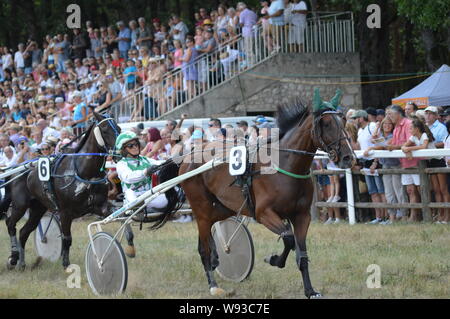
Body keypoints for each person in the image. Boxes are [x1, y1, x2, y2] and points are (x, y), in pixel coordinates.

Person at [364, 117, 407, 224]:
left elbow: (384, 146)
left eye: (389, 124)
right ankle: (392, 217)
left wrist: (371, 148)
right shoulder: (382, 136)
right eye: (385, 124)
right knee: (389, 193)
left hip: (395, 165)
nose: (387, 126)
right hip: (386, 166)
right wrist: (377, 127)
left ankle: (403, 215)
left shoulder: (393, 136)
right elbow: (373, 139)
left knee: (398, 191)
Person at [115, 131, 168, 216]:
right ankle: (137, 209)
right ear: (123, 149)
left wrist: (173, 160)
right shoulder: (121, 164)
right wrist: (145, 172)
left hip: (149, 195)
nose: (135, 147)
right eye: (131, 146)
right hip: (132, 196)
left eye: (136, 144)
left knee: (168, 198)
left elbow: (160, 164)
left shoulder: (145, 160)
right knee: (129, 193)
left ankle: (143, 209)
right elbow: (128, 177)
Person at [353, 110, 386, 224]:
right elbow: (358, 147)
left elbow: (378, 143)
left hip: (375, 160)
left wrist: (375, 162)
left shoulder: (372, 126)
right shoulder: (360, 130)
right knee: (373, 191)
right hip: (365, 161)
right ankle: (378, 217)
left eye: (355, 118)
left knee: (381, 190)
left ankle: (386, 217)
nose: (354, 121)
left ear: (361, 118)